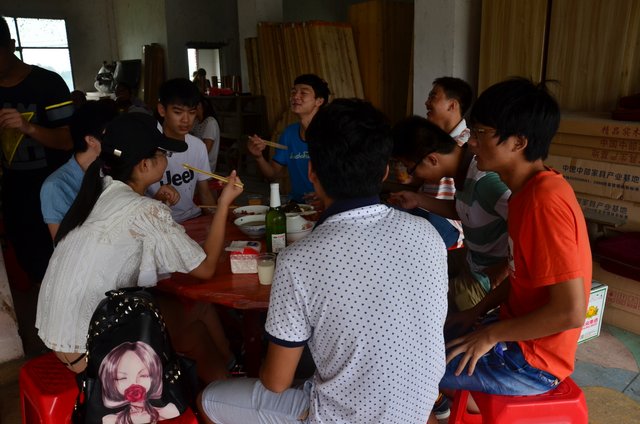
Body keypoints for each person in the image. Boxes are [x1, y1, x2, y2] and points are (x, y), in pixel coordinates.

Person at [198, 99, 449, 424]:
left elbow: (276, 382)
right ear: (385, 171)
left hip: (344, 417)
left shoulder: (299, 259)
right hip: (418, 406)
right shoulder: (427, 233)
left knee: (208, 398)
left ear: (312, 172)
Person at [35, 112, 243, 375]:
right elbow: (206, 268)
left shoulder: (100, 189)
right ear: (144, 165)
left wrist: (158, 206)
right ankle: (219, 389)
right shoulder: (145, 209)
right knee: (195, 331)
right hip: (91, 350)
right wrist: (223, 204)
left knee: (196, 316)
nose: (167, 158)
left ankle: (227, 371)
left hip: (61, 334)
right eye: (163, 153)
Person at [436, 78, 591, 420]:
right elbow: (520, 276)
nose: (471, 142)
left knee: (413, 364)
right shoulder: (524, 193)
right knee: (429, 332)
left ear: (519, 142)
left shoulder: (544, 204)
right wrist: (476, 312)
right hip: (513, 330)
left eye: (481, 133)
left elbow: (571, 312)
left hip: (534, 363)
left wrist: (490, 334)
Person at [389, 116, 510, 312]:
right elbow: (463, 210)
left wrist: (503, 271)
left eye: (411, 168)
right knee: (420, 269)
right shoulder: (463, 171)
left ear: (432, 159)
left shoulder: (485, 181)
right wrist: (418, 200)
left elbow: (528, 227)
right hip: (474, 258)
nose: (413, 175)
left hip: (491, 272)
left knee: (425, 303)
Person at [0, 16, 74, 285]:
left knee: (65, 263)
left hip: (53, 193)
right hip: (14, 194)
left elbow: (68, 141)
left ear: (11, 46)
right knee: (30, 262)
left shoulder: (48, 84)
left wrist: (27, 127)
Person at [40, 99, 119, 239]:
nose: (119, 141)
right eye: (112, 135)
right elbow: (63, 244)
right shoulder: (56, 186)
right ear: (91, 140)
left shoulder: (113, 169)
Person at [247, 74, 329, 205]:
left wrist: (326, 195)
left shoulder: (331, 133)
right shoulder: (289, 133)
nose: (295, 96)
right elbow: (273, 174)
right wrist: (258, 157)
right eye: (293, 92)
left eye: (303, 93)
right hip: (297, 205)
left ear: (319, 101)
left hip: (326, 204)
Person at [147, 78, 217, 222]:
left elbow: (204, 192)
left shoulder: (198, 147)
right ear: (162, 110)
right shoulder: (146, 147)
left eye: (192, 112)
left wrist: (217, 216)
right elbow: (133, 197)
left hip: (191, 217)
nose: (186, 120)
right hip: (158, 222)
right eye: (178, 112)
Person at [100, 341, 180, 424]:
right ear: (109, 382)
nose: (134, 383)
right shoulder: (110, 419)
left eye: (144, 375)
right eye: (122, 378)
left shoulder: (170, 410)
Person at [190, 95, 221, 172]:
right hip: (195, 162)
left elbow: (206, 150)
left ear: (200, 105)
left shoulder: (210, 123)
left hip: (204, 167)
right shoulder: (197, 121)